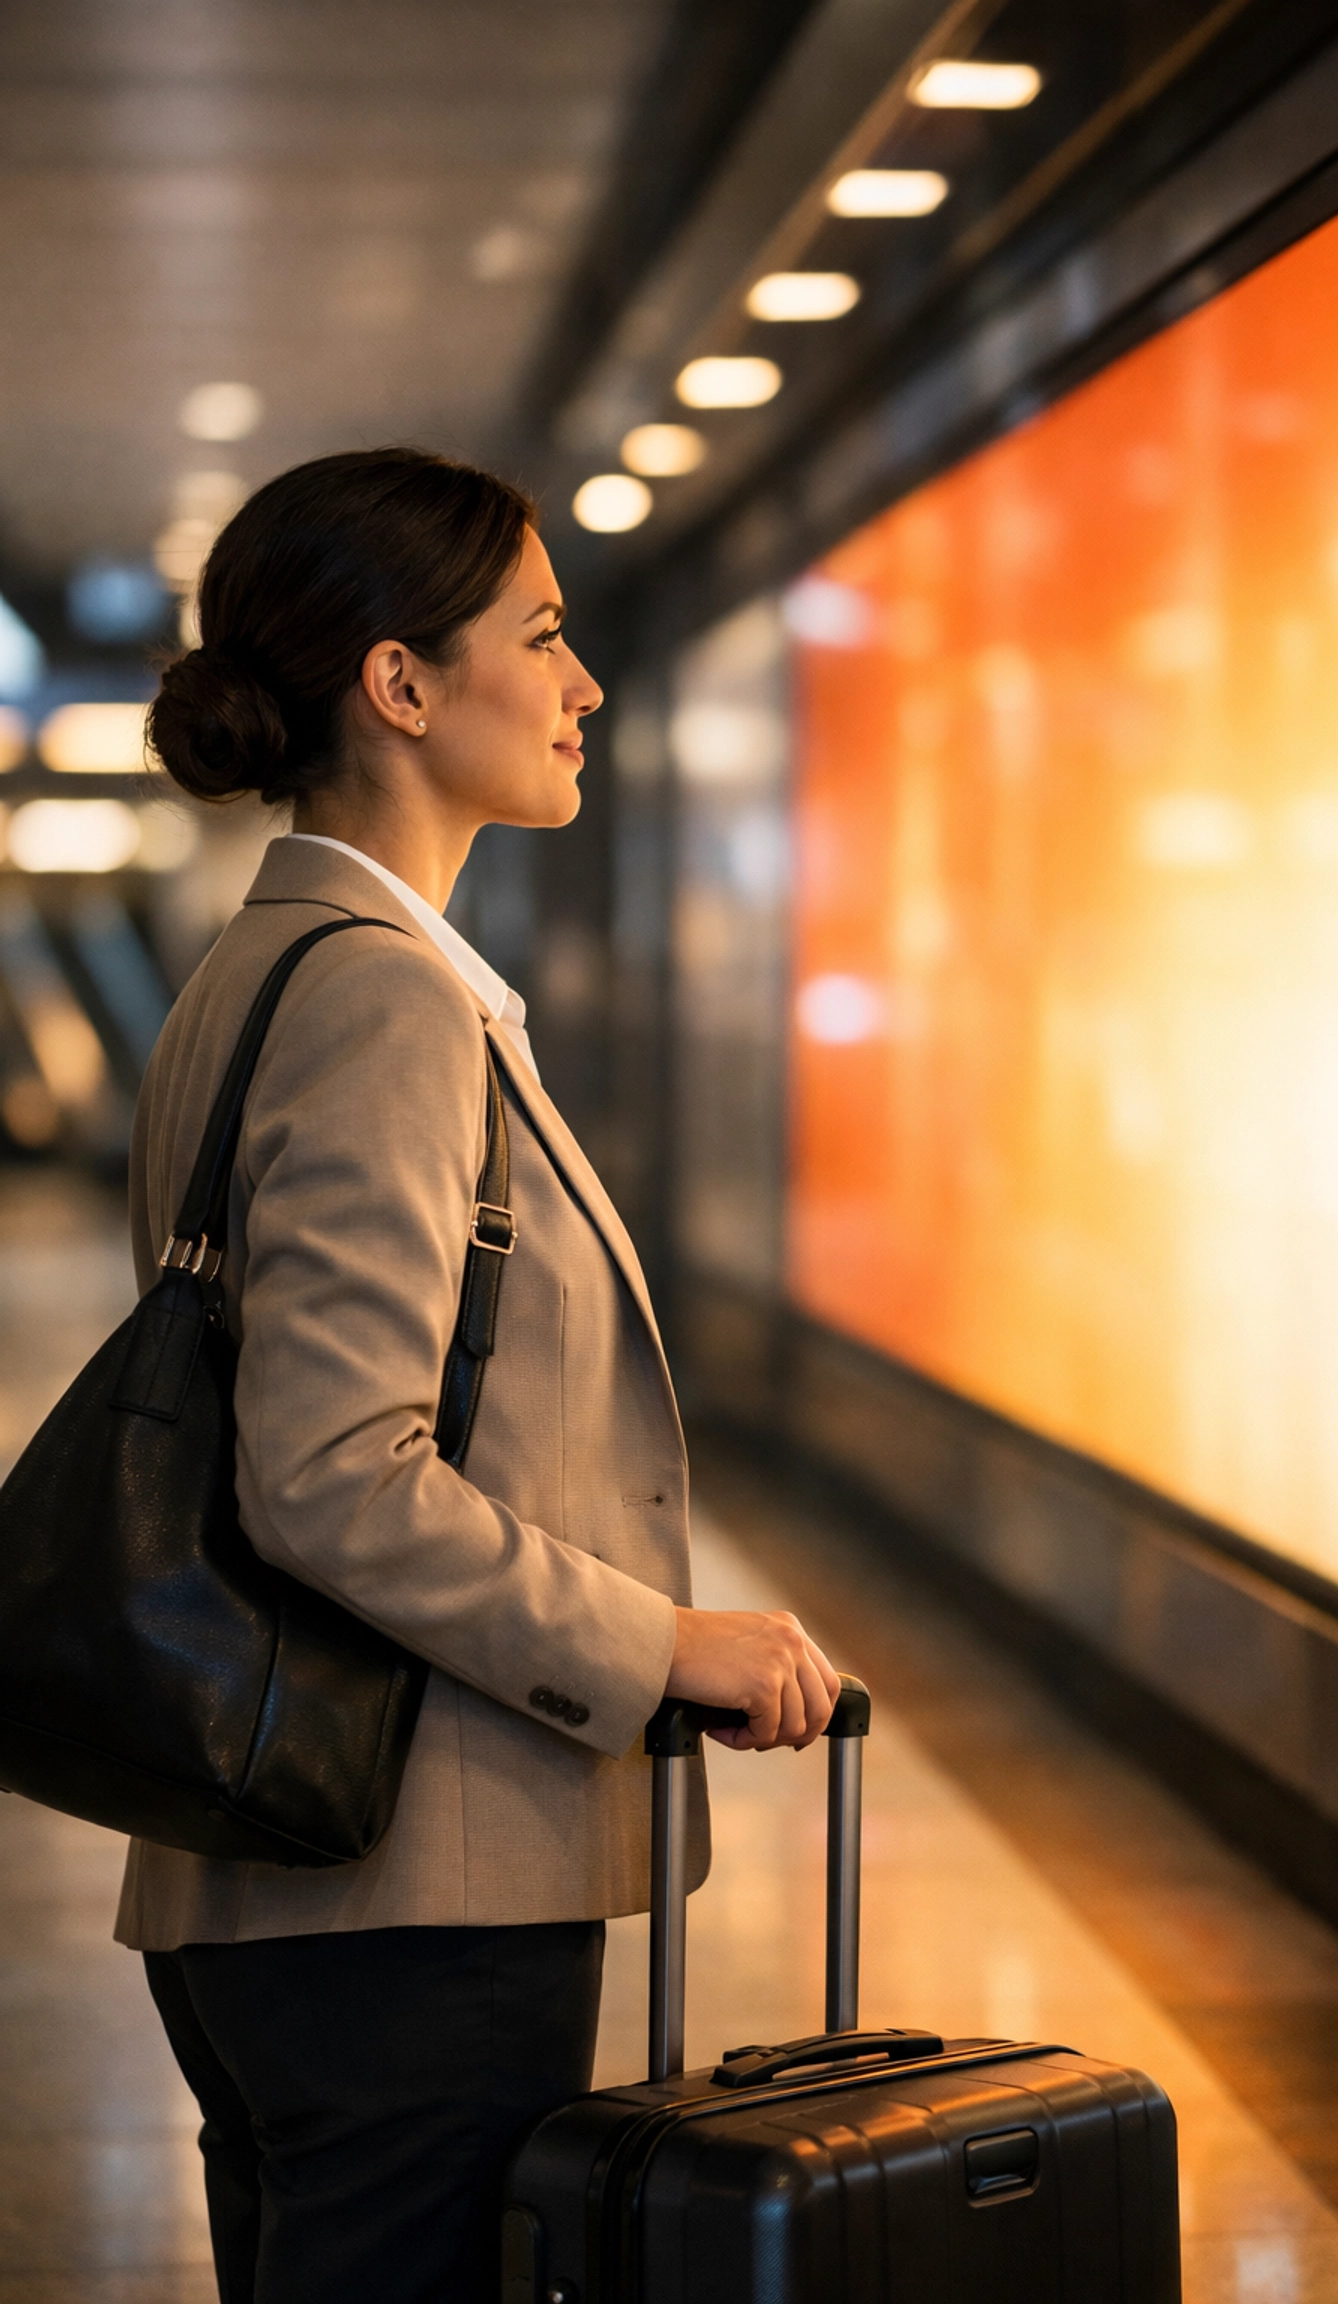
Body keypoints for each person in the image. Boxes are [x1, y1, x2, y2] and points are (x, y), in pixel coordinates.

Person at [127, 446, 840, 2304]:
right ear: (401, 684)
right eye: (543, 632)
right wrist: (655, 1644)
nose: (583, 681)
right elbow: (332, 1469)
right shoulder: (380, 994)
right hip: (411, 1890)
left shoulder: (260, 967)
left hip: (279, 1874)